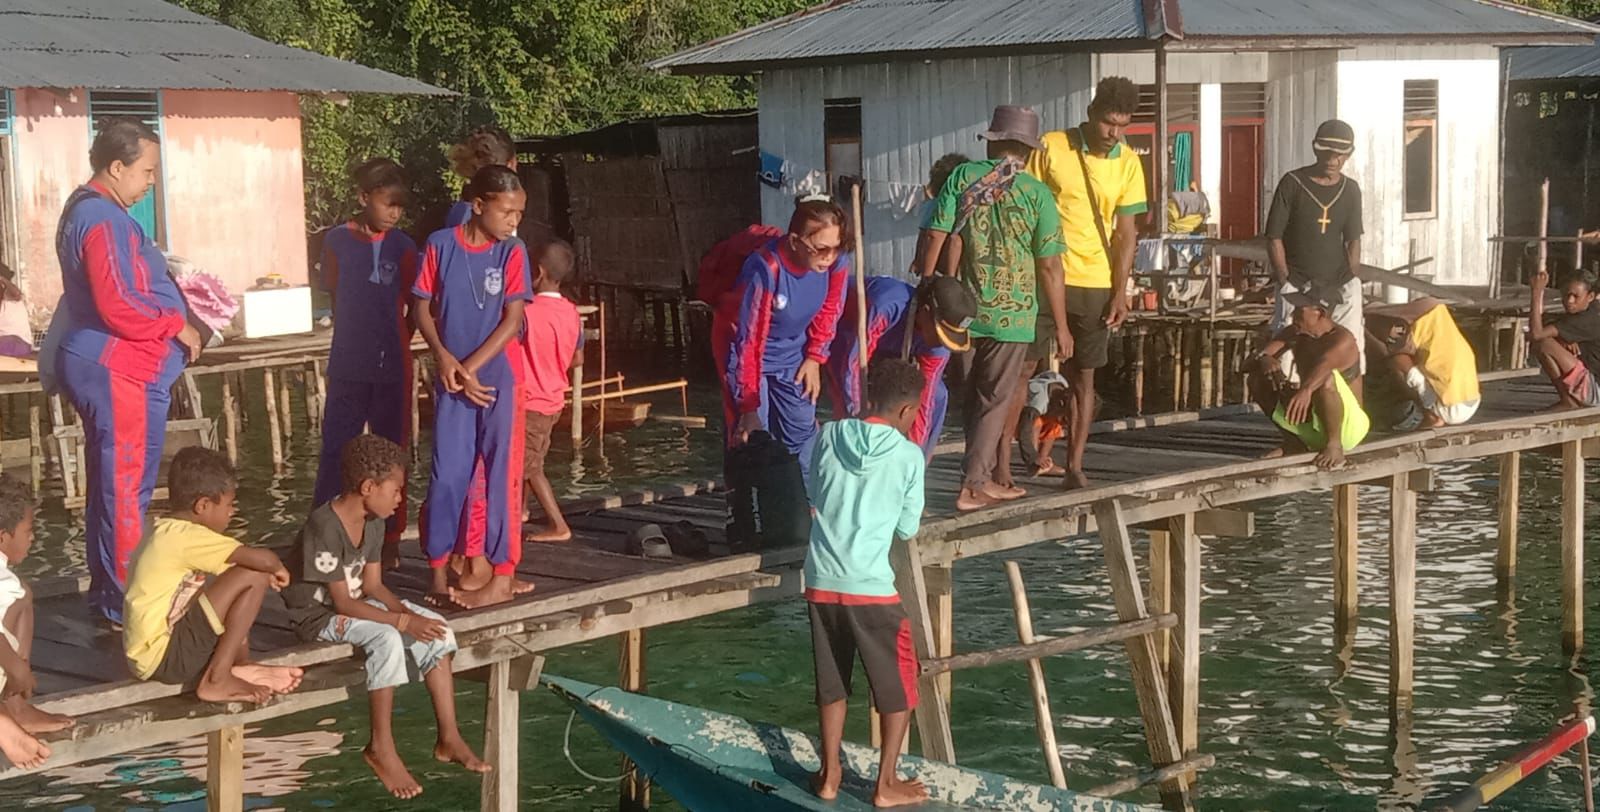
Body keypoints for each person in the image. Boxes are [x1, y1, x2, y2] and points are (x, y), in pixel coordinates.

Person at [54, 119, 203, 624]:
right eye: (147, 171)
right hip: (119, 368)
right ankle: (129, 604)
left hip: (108, 363)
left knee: (111, 484)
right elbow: (118, 303)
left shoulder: (91, 211)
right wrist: (175, 322)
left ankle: (109, 593)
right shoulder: (102, 219)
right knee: (125, 488)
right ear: (116, 168)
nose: (151, 181)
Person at [283, 435, 488, 799]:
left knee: (437, 629)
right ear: (367, 487)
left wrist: (408, 614)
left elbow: (374, 585)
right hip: (318, 616)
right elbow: (342, 603)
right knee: (388, 638)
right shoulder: (324, 525)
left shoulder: (374, 521)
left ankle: (449, 736)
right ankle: (380, 746)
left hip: (355, 604)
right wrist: (402, 623)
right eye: (395, 490)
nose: (399, 499)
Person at [919, 105, 1069, 511]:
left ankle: (977, 475)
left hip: (962, 310)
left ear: (993, 140)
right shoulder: (1037, 194)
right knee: (993, 399)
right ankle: (973, 485)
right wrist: (1062, 323)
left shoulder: (962, 178)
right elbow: (1051, 265)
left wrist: (928, 284)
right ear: (1028, 149)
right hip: (1015, 314)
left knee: (972, 398)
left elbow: (937, 233)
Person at [804, 359, 929, 808]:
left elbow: (816, 495)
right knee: (899, 687)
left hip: (821, 580)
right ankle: (886, 782)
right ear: (905, 411)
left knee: (833, 682)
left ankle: (830, 772)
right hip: (872, 587)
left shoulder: (829, 434)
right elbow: (907, 528)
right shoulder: (907, 454)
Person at [413, 165, 535, 609]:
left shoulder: (513, 252)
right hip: (451, 377)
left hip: (494, 378)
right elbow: (422, 308)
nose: (514, 221)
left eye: (519, 212)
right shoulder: (440, 245)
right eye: (507, 211)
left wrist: (469, 369)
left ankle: (502, 573)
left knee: (501, 474)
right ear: (479, 206)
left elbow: (514, 319)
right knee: (448, 472)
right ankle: (438, 570)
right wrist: (444, 359)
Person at [1025, 77, 1147, 490]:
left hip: (1096, 281)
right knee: (1019, 369)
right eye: (1109, 123)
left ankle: (1074, 465)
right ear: (1092, 114)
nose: (1114, 133)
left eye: (1123, 125)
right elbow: (1025, 202)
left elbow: (1126, 233)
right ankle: (1000, 468)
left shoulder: (1129, 162)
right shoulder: (1051, 146)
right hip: (1046, 274)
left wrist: (1120, 291)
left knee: (1085, 380)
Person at [123, 448, 303, 702]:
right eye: (229, 504)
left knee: (238, 577)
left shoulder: (162, 530)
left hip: (149, 655)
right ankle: (217, 679)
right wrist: (277, 569)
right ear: (203, 505)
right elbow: (261, 560)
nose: (231, 512)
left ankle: (239, 667)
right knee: (253, 575)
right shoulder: (186, 537)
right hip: (166, 658)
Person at [312, 158, 419, 571]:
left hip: (392, 365)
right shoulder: (337, 241)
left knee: (393, 452)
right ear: (363, 198)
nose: (394, 212)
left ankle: (388, 538)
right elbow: (337, 296)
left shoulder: (405, 247)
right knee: (336, 449)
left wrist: (398, 341)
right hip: (348, 363)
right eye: (387, 203)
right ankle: (323, 531)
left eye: (400, 206)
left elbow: (415, 306)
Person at [723, 196, 851, 482]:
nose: (829, 257)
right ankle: (752, 514)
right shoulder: (765, 269)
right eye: (821, 250)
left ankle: (807, 508)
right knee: (753, 437)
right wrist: (749, 406)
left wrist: (816, 356)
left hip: (794, 355)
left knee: (804, 436)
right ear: (794, 241)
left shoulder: (837, 264)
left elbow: (831, 309)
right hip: (746, 356)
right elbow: (749, 339)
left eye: (836, 247)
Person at [1265, 119, 1367, 400]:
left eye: (1339, 154)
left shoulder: (1351, 190)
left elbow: (1353, 238)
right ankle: (1289, 412)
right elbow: (1274, 236)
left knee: (1351, 345)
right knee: (1287, 346)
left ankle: (1353, 410)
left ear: (1349, 154)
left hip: (1339, 281)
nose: (1333, 160)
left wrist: (1353, 275)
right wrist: (1285, 280)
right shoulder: (1293, 183)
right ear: (1315, 149)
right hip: (1298, 282)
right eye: (1326, 152)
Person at [825, 275, 976, 460]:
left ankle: (917, 465)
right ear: (926, 312)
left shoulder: (939, 347)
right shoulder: (888, 304)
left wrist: (913, 456)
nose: (941, 343)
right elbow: (853, 365)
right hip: (845, 337)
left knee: (938, 395)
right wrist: (859, 415)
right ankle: (847, 458)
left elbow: (925, 398)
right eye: (941, 334)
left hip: (888, 354)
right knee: (849, 401)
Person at [1249, 287, 1370, 469]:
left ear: (1319, 313)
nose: (1293, 315)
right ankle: (1294, 442)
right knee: (1256, 378)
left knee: (1326, 379)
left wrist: (1305, 390)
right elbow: (1248, 364)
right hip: (1314, 418)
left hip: (1348, 429)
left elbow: (1323, 368)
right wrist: (1264, 358)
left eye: (1299, 310)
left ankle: (1334, 446)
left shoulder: (1342, 340)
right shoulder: (1295, 332)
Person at [515, 240, 582, 543]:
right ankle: (522, 511)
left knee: (530, 466)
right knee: (532, 459)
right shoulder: (571, 312)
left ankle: (558, 524)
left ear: (538, 272)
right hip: (555, 398)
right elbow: (577, 358)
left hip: (530, 399)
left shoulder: (526, 312)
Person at [0, 475, 72, 737]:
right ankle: (15, 706)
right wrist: (18, 670)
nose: (32, 539)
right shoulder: (2, 580)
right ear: (3, 537)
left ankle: (15, 705)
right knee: (21, 595)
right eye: (28, 531)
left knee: (23, 595)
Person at [1365, 297, 1480, 429]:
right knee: (1367, 319)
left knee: (1376, 319)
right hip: (1422, 319)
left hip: (1438, 313)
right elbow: (1406, 368)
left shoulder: (1460, 407)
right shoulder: (1445, 409)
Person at [1528, 268, 1600, 410]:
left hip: (1595, 392)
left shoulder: (1586, 319)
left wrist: (1536, 293)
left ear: (1590, 296)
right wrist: (1564, 339)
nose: (1569, 301)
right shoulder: (1591, 309)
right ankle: (1568, 399)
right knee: (1548, 340)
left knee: (1544, 344)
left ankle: (1568, 400)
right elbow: (1550, 323)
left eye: (1575, 296)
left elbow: (1536, 334)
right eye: (1566, 295)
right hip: (1592, 383)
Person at [909, 153, 969, 278]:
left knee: (956, 240)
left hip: (956, 258)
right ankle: (950, 278)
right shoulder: (933, 205)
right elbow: (926, 235)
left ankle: (949, 278)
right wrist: (918, 260)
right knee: (955, 240)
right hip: (941, 256)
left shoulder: (964, 205)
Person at [1016, 371, 1070, 476]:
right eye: (1065, 419)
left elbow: (1048, 373)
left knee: (1055, 424)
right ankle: (1033, 464)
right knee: (1036, 423)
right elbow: (1024, 430)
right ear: (1060, 403)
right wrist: (1031, 456)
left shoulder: (1062, 385)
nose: (1065, 425)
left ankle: (1044, 462)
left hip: (1042, 409)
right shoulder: (1039, 402)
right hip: (1019, 414)